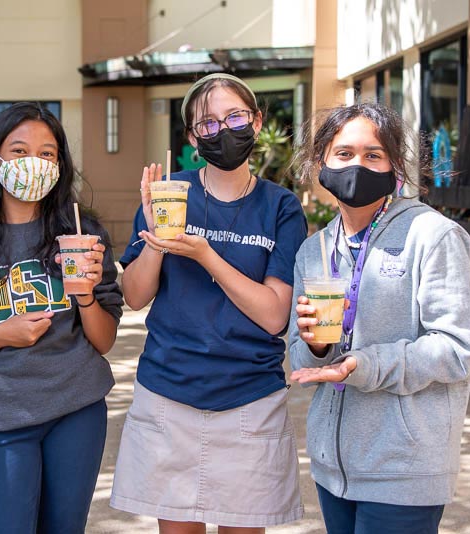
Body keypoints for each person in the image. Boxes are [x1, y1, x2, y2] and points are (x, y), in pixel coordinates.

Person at [110, 73, 306, 533]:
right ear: (193, 138)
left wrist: (205, 254)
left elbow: (275, 315)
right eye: (208, 124)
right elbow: (135, 297)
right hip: (169, 393)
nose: (223, 130)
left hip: (249, 401)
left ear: (256, 121)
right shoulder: (168, 194)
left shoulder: (281, 207)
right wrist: (156, 241)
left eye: (235, 116)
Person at [0, 102, 123, 534]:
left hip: (78, 408)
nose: (34, 162)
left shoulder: (80, 234)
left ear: (59, 165)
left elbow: (105, 341)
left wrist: (86, 297)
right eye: (19, 151)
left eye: (47, 154)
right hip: (3, 418)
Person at [288, 102, 470, 534]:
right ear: (321, 162)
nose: (357, 164)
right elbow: (300, 359)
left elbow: (458, 349)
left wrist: (367, 365)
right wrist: (318, 346)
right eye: (344, 153)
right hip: (332, 469)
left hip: (404, 468)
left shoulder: (433, 236)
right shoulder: (313, 250)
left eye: (373, 154)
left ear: (395, 166)